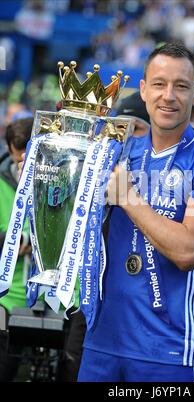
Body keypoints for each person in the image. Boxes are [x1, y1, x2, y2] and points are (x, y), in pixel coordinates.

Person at [78, 42, 194, 382]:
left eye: (181, 86)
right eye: (159, 84)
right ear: (143, 89)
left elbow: (189, 251)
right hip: (100, 344)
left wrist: (128, 197)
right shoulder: (115, 154)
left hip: (168, 352)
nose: (169, 95)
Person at [0, 117, 86, 382]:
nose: (21, 168)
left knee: (70, 369)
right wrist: (14, 240)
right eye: (17, 162)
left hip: (65, 295)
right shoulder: (2, 183)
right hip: (10, 295)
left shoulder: (73, 180)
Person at [0, 117, 33, 381]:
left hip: (50, 300)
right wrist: (11, 242)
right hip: (5, 300)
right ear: (9, 150)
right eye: (18, 155)